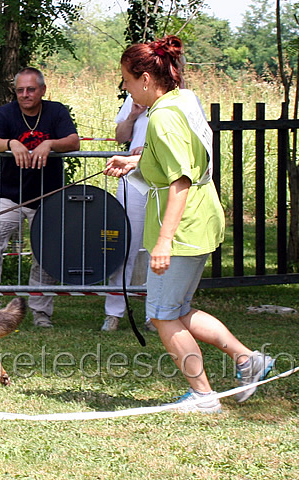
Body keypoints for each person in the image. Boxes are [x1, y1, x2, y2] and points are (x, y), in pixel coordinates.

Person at [104, 35, 274, 413]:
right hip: (201, 219)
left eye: (128, 82)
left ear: (146, 78)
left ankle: (203, 396)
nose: (128, 91)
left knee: (162, 316)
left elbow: (180, 179)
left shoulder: (162, 115)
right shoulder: (183, 100)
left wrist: (164, 242)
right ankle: (249, 361)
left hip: (181, 228)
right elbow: (185, 157)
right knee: (177, 309)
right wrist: (135, 163)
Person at [0, 67, 80, 328]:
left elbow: (73, 141)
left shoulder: (56, 111)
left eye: (31, 89)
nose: (25, 94)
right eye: (20, 90)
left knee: (44, 255)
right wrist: (10, 143)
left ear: (42, 90)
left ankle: (41, 312)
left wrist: (50, 144)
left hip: (48, 197)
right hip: (10, 197)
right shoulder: (5, 113)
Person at [100, 94, 154, 332]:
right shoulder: (136, 96)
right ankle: (113, 313)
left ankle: (156, 315)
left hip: (165, 177)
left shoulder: (183, 99)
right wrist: (133, 114)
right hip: (134, 179)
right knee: (125, 244)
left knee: (161, 247)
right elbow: (121, 136)